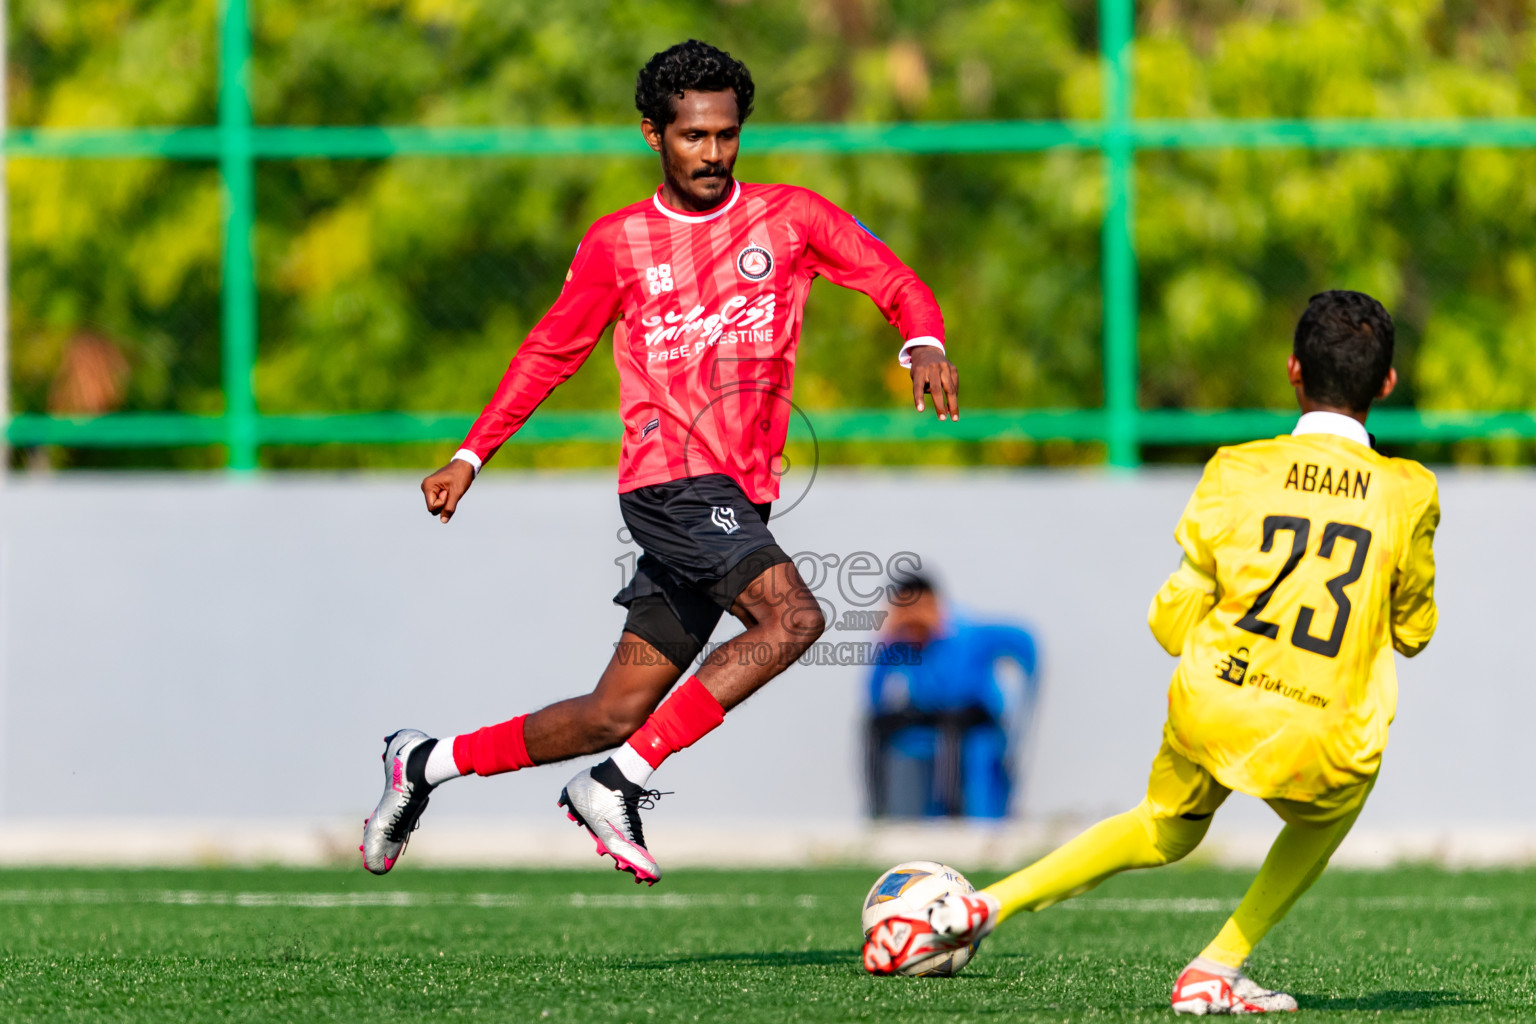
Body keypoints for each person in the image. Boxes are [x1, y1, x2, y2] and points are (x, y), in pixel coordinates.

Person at [361, 40, 959, 885]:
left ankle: (423, 763)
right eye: (692, 136)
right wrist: (470, 454)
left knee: (614, 710)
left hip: (735, 500)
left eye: (726, 134)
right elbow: (549, 352)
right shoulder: (618, 245)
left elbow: (896, 281)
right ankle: (618, 784)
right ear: (654, 135)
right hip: (670, 482)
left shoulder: (791, 219)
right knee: (794, 621)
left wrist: (923, 338)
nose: (712, 153)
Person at [863, 290, 1438, 1015]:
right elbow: (1414, 633)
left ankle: (984, 905)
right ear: (1386, 384)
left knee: (1161, 826)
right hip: (1320, 728)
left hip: (1214, 701)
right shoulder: (1408, 492)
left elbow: (1170, 621)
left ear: (1293, 370)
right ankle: (1218, 965)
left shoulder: (1236, 468)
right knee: (1344, 794)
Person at [866, 575, 1038, 818]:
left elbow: (1026, 642)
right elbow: (874, 696)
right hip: (932, 729)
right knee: (893, 744)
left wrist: (1023, 711)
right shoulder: (900, 643)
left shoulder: (967, 632)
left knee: (975, 785)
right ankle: (883, 818)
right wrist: (887, 639)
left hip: (975, 728)